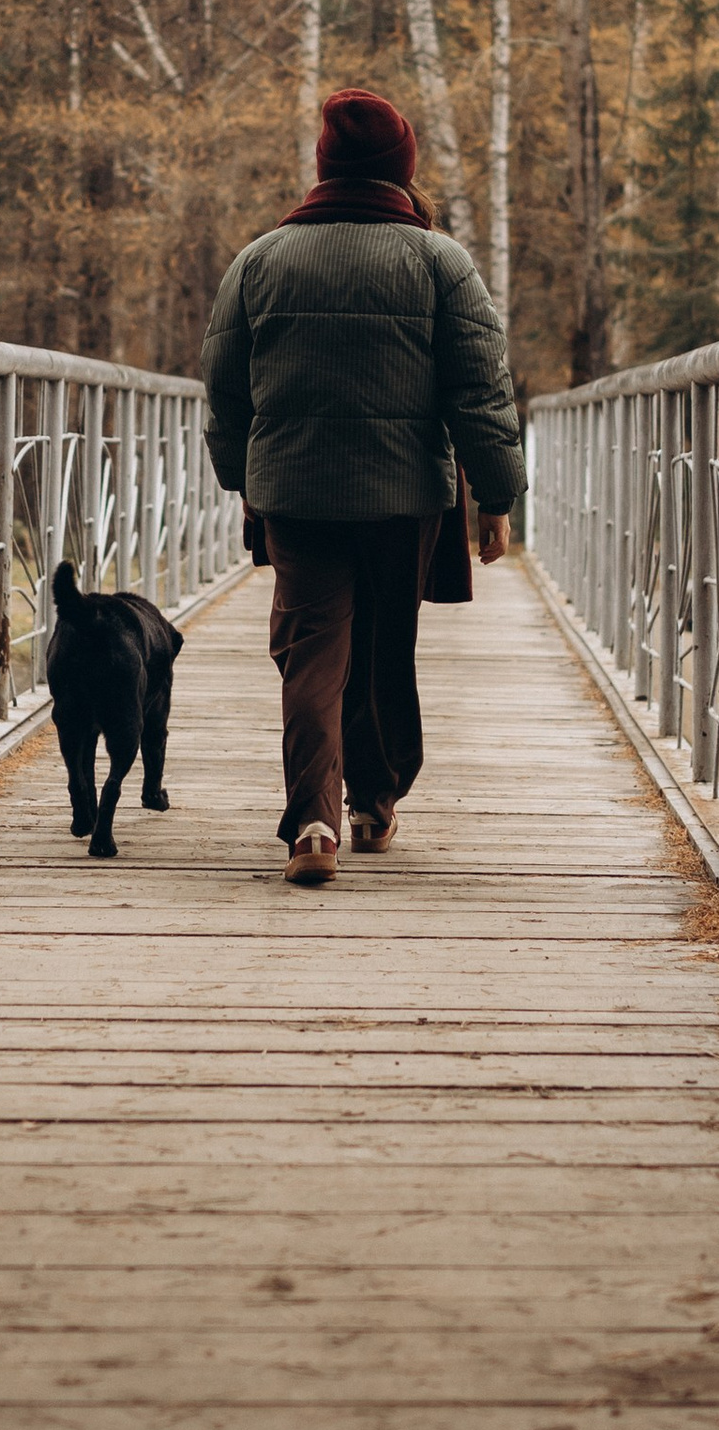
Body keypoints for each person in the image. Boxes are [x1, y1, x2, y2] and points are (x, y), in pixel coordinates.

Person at [201, 86, 524, 888]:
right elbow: (480, 391)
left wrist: (239, 473)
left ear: (324, 166)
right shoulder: (440, 262)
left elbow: (225, 388)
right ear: (402, 170)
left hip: (297, 492)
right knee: (384, 647)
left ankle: (314, 818)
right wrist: (498, 494)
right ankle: (375, 803)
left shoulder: (261, 260)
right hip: (402, 496)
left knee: (312, 653)